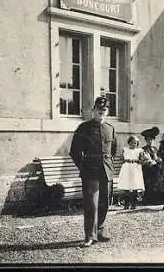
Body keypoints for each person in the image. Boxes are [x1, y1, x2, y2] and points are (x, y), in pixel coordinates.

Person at [69, 97, 117, 248]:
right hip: (90, 171)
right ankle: (90, 236)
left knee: (104, 203)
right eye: (98, 109)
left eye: (104, 110)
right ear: (93, 110)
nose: (101, 112)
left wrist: (109, 165)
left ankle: (100, 231)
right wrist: (83, 167)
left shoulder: (110, 128)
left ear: (107, 111)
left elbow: (113, 150)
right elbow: (74, 151)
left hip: (106, 170)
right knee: (91, 204)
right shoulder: (84, 128)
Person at [118, 135, 145, 210]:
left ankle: (134, 204)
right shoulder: (125, 150)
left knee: (134, 186)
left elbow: (142, 161)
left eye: (135, 143)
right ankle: (126, 204)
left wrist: (137, 160)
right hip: (127, 168)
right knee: (127, 186)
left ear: (137, 144)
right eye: (132, 143)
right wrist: (125, 159)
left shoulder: (139, 151)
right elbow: (121, 158)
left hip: (135, 169)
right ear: (129, 143)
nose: (133, 144)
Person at [138, 126, 162, 205]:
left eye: (151, 140)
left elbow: (159, 158)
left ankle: (156, 199)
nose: (150, 141)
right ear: (146, 141)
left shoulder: (155, 149)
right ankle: (148, 199)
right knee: (149, 182)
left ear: (154, 140)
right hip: (146, 170)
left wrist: (158, 160)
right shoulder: (143, 149)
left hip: (155, 170)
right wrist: (149, 162)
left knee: (158, 178)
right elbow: (142, 161)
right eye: (148, 140)